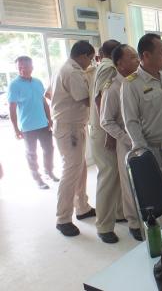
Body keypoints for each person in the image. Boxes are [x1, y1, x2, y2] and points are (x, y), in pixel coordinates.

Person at [121, 33, 162, 226]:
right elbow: (130, 121)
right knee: (159, 201)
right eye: (161, 52)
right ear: (146, 55)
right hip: (154, 151)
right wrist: (142, 152)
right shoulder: (131, 83)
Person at [51, 41, 96, 237]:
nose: (91, 63)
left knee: (80, 167)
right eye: (91, 59)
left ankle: (82, 207)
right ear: (84, 56)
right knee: (70, 172)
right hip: (70, 129)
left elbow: (48, 94)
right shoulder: (73, 72)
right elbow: (86, 99)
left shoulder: (63, 67)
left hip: (71, 126)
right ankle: (63, 219)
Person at [100, 44, 142, 242]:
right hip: (127, 143)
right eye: (133, 57)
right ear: (120, 64)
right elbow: (106, 121)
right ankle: (134, 223)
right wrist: (129, 139)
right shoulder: (113, 87)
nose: (138, 60)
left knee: (145, 182)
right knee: (130, 184)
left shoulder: (137, 82)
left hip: (144, 140)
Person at [90, 39, 129, 244]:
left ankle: (120, 213)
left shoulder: (105, 66)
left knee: (117, 176)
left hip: (108, 129)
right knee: (108, 176)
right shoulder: (107, 67)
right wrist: (110, 134)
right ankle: (104, 225)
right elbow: (100, 99)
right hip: (105, 132)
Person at [7, 56, 58, 189]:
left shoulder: (37, 82)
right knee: (31, 153)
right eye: (19, 68)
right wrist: (16, 129)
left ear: (32, 67)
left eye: (25, 67)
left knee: (49, 149)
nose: (22, 70)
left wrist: (49, 118)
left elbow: (43, 102)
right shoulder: (14, 85)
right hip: (27, 127)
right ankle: (38, 179)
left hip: (43, 124)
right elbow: (11, 108)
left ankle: (49, 172)